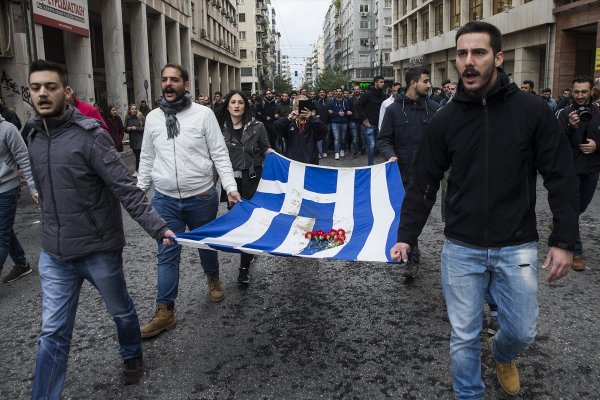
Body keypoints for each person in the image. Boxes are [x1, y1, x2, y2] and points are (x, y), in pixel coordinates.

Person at [390, 22, 578, 399]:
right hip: (461, 247)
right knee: (463, 333)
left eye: (478, 53)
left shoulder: (532, 110)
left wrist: (565, 239)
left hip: (517, 245)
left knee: (522, 330)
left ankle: (502, 354)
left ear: (499, 57)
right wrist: (406, 236)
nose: (469, 62)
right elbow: (424, 181)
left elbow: (560, 174)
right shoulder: (445, 118)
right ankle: (469, 394)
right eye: (462, 54)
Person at [26, 59, 176, 397]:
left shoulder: (90, 136)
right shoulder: (32, 135)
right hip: (55, 254)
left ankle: (131, 354)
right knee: (52, 333)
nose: (43, 94)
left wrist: (158, 228)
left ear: (66, 92)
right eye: (36, 88)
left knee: (121, 311)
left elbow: (125, 187)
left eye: (50, 87)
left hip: (98, 249)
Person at [136, 63, 241, 339]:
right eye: (164, 80)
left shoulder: (204, 115)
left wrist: (230, 187)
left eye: (174, 80)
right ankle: (165, 311)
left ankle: (213, 277)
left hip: (202, 196)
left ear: (186, 84)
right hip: (165, 200)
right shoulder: (153, 118)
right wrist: (137, 190)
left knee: (206, 243)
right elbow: (146, 157)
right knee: (166, 252)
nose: (168, 84)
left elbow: (219, 153)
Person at [378, 67, 438, 279]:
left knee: (420, 214)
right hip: (402, 174)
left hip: (428, 176)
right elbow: (383, 139)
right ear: (414, 83)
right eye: (426, 81)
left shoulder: (434, 108)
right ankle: (412, 259)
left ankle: (410, 249)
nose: (429, 85)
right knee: (408, 214)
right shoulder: (394, 109)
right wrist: (390, 155)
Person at [216, 90, 271, 284]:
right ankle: (247, 254)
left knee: (249, 221)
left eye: (241, 102)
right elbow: (215, 156)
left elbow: (265, 147)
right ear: (228, 106)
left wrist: (269, 152)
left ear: (245, 106)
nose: (237, 106)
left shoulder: (258, 126)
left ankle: (244, 268)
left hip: (252, 180)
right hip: (231, 182)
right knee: (239, 221)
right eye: (233, 102)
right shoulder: (218, 128)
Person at [555, 75, 600, 271]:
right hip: (570, 169)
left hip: (592, 169)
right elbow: (554, 142)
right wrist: (570, 128)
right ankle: (576, 252)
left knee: (580, 207)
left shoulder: (599, 111)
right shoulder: (563, 113)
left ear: (591, 92)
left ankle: (559, 223)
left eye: (584, 91)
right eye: (576, 92)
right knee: (572, 210)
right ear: (571, 92)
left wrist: (597, 145)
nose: (580, 95)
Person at [0, 114, 38, 284]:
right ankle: (21, 264)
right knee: (5, 229)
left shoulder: (8, 129)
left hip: (7, 188)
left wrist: (33, 187)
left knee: (1, 234)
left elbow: (24, 158)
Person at [273, 95, 328, 165]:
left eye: (303, 106)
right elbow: (276, 128)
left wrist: (311, 118)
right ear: (293, 107)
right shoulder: (289, 122)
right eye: (297, 106)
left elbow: (324, 131)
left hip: (310, 162)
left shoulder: (313, 123)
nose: (300, 108)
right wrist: (288, 119)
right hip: (293, 162)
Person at [356, 76, 386, 165]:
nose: (383, 84)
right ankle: (371, 165)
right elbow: (358, 105)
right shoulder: (367, 94)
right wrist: (364, 119)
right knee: (371, 145)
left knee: (378, 146)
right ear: (375, 83)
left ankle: (380, 166)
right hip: (369, 125)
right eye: (381, 82)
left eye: (383, 82)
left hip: (380, 124)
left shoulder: (383, 95)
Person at [327, 88, 351, 160]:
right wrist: (338, 113)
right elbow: (330, 112)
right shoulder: (331, 101)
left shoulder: (346, 101)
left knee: (343, 138)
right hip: (335, 122)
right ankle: (336, 153)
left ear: (342, 93)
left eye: (340, 91)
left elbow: (348, 111)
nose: (338, 93)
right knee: (336, 138)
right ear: (335, 93)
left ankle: (342, 149)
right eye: (337, 92)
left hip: (344, 122)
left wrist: (346, 113)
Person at [124, 104, 144, 177]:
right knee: (137, 155)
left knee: (138, 155)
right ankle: (142, 169)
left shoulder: (141, 117)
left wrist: (136, 128)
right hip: (133, 140)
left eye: (135, 109)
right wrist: (128, 129)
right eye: (132, 109)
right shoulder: (128, 118)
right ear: (129, 110)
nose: (134, 110)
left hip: (140, 139)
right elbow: (125, 128)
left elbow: (145, 128)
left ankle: (137, 170)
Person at [313, 89, 331, 158]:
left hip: (327, 123)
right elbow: (313, 111)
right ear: (318, 94)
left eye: (323, 92)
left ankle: (325, 151)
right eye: (320, 92)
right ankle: (318, 153)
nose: (322, 93)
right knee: (319, 139)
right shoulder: (315, 102)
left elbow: (332, 111)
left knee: (326, 138)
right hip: (318, 123)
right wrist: (315, 115)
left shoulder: (329, 102)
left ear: (325, 94)